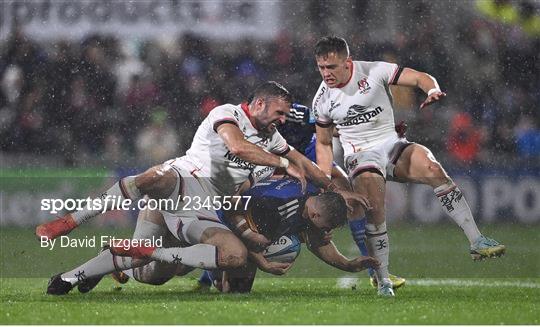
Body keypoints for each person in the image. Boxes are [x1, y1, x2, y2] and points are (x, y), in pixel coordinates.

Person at [43, 81, 365, 295]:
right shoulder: (227, 114)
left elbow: (304, 164)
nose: (282, 120)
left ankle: (119, 258)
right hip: (180, 184)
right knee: (154, 177)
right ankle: (71, 231)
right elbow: (238, 148)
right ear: (259, 104)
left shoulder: (272, 139)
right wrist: (282, 164)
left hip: (203, 210)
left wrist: (340, 189)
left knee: (167, 271)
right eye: (279, 112)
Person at [311, 36, 505, 297]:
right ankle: (383, 281)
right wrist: (325, 179)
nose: (326, 74)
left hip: (392, 145)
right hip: (361, 155)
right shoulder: (322, 100)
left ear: (348, 62)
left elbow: (419, 77)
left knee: (434, 169)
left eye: (331, 67)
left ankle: (476, 240)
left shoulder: (374, 70)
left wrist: (432, 89)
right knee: (375, 209)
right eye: (321, 68)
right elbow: (323, 143)